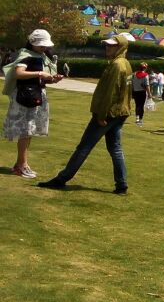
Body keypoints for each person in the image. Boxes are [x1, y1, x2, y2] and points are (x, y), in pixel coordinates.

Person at [38, 35, 131, 194]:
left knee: (84, 147)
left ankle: (62, 179)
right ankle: (121, 184)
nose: (107, 48)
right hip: (120, 112)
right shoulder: (125, 63)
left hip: (108, 113)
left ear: (120, 47)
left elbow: (110, 93)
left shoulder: (116, 65)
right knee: (115, 148)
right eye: (107, 45)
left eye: (112, 46)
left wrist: (101, 115)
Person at [3, 29, 63, 178]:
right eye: (41, 45)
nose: (44, 48)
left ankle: (20, 164)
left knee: (29, 130)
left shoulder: (42, 56)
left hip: (35, 94)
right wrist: (40, 73)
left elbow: (40, 77)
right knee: (26, 130)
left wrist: (52, 78)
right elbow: (19, 73)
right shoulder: (26, 55)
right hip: (26, 97)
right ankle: (22, 165)